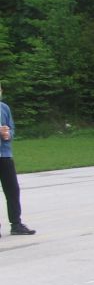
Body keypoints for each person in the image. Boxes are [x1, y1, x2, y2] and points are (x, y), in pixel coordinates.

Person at [0, 92, 36, 237]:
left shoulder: (4, 108)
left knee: (13, 190)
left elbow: (11, 127)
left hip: (5, 155)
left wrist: (8, 134)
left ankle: (16, 224)